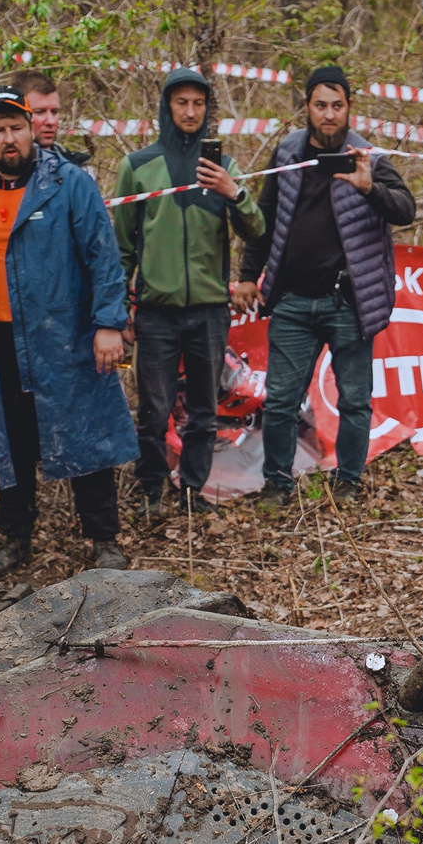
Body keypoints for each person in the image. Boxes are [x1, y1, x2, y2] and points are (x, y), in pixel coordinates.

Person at [0, 87, 138, 579]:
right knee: (12, 440)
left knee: (85, 432)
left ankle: (104, 539)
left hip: (66, 337)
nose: (10, 139)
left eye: (17, 128)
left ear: (32, 131)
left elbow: (103, 257)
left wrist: (109, 323)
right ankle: (16, 536)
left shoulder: (68, 183)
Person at [235, 66, 417, 507]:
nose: (329, 115)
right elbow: (264, 221)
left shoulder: (368, 158)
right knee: (280, 400)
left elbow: (405, 210)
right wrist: (247, 274)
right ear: (307, 108)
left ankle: (348, 483)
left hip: (347, 302)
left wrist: (371, 187)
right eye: (321, 106)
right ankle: (277, 485)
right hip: (294, 300)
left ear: (349, 108)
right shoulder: (287, 155)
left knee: (354, 400)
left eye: (337, 106)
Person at [114, 66, 266, 521]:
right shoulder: (138, 167)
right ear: (167, 106)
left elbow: (256, 228)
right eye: (181, 102)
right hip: (156, 312)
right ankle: (151, 493)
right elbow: (121, 246)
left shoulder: (224, 167)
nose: (190, 111)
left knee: (204, 409)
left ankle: (192, 492)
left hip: (209, 310)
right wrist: (117, 309)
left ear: (207, 110)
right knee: (154, 410)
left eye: (198, 103)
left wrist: (232, 192)